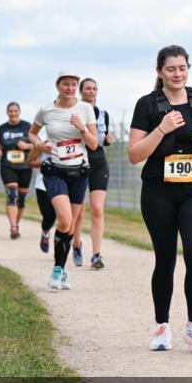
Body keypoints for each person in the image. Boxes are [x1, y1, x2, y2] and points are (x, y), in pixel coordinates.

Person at [129, 45, 192, 352]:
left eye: (182, 68)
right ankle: (161, 326)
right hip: (158, 191)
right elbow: (134, 154)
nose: (177, 74)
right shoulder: (147, 105)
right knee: (165, 258)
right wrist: (161, 128)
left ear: (188, 69)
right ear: (160, 72)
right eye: (171, 69)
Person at [28, 71, 98, 291]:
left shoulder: (85, 109)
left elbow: (94, 144)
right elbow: (32, 134)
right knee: (65, 221)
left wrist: (82, 128)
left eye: (73, 84)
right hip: (54, 170)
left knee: (70, 226)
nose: (69, 87)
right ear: (58, 85)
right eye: (65, 84)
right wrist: (39, 145)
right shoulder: (47, 109)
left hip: (78, 172)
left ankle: (60, 270)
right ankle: (58, 270)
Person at [71, 77, 115, 269]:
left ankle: (96, 255)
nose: (91, 91)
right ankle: (76, 244)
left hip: (98, 162)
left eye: (94, 88)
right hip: (78, 162)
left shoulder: (103, 114)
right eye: (87, 88)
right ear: (81, 91)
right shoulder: (74, 112)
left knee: (97, 209)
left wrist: (108, 140)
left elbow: (101, 139)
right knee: (78, 212)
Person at [0, 102, 33, 239]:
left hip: (25, 166)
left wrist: (26, 146)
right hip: (7, 164)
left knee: (21, 199)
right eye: (10, 111)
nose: (13, 113)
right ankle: (13, 226)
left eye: (15, 111)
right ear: (7, 112)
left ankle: (16, 222)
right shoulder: (2, 128)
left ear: (19, 112)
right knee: (12, 195)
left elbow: (35, 144)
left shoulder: (27, 126)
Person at [28, 129, 56, 254]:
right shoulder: (41, 140)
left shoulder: (71, 136)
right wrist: (46, 163)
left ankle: (63, 247)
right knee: (49, 216)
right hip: (43, 183)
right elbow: (30, 162)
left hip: (66, 182)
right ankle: (45, 233)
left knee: (66, 218)